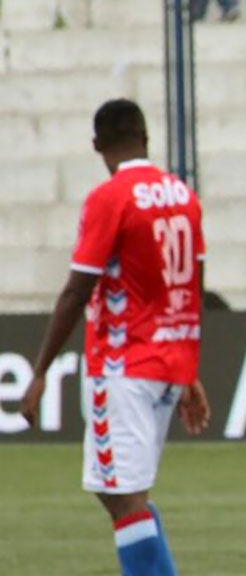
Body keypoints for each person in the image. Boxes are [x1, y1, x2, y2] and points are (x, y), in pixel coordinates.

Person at [19, 99, 209, 576]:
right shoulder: (182, 195)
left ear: (97, 146)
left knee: (121, 495)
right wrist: (188, 368)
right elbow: (192, 285)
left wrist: (40, 371)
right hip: (168, 362)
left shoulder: (110, 197)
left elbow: (76, 289)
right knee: (123, 490)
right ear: (146, 138)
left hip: (123, 365)